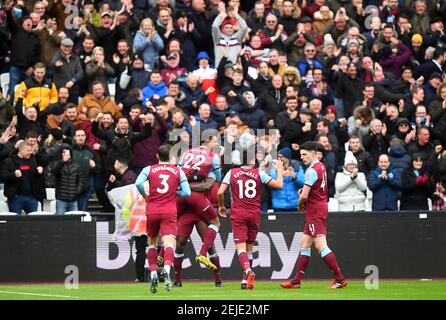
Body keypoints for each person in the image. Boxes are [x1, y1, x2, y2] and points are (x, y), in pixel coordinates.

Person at [281, 141, 347, 289]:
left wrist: (299, 203)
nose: (302, 157)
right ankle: (297, 280)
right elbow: (312, 190)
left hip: (315, 210)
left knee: (320, 245)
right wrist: (304, 195)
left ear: (313, 153)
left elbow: (304, 195)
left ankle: (339, 279)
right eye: (301, 154)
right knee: (304, 244)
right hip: (319, 207)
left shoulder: (311, 171)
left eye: (304, 154)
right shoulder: (321, 166)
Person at [217, 146, 284, 290]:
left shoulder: (232, 172)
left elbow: (220, 192)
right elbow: (279, 185)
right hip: (254, 214)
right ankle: (244, 280)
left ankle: (248, 271)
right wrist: (280, 170)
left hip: (238, 213)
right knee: (249, 248)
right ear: (252, 160)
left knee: (240, 248)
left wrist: (221, 206)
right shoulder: (259, 173)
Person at [135, 144, 191, 293]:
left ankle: (153, 273)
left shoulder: (149, 169)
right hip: (169, 211)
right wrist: (174, 193)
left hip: (152, 210)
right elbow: (187, 192)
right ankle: (166, 269)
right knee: (169, 244)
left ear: (157, 157)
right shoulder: (178, 171)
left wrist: (146, 196)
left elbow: (138, 183)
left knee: (152, 244)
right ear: (172, 157)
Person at [174, 135, 222, 275]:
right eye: (215, 141)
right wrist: (211, 173)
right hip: (197, 199)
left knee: (176, 235)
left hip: (181, 196)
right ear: (207, 141)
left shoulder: (187, 152)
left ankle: (163, 256)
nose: (217, 144)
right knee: (215, 225)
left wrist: (184, 186)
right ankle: (204, 257)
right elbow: (216, 179)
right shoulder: (213, 155)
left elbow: (178, 172)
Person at [1, 141, 44, 214]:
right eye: (28, 150)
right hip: (16, 197)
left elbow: (35, 177)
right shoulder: (9, 161)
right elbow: (2, 177)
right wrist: (13, 175)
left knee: (34, 222)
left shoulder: (33, 160)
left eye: (31, 150)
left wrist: (39, 172)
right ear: (21, 150)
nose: (31, 152)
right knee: (15, 222)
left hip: (31, 197)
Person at [53, 146, 83, 214]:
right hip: (61, 199)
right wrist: (62, 161)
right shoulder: (57, 163)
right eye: (63, 152)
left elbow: (80, 179)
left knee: (74, 222)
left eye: (67, 153)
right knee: (60, 222)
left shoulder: (76, 165)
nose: (65, 154)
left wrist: (77, 191)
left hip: (73, 199)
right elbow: (55, 172)